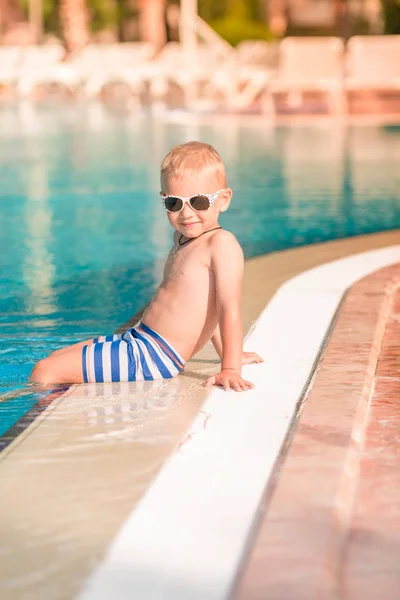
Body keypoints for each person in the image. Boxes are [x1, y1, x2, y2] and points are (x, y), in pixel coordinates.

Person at [30, 141, 263, 392]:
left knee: (45, 370)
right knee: (56, 356)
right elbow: (210, 307)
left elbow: (227, 308)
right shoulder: (183, 239)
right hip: (140, 339)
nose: (186, 214)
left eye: (198, 202)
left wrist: (230, 367)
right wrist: (228, 352)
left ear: (223, 200)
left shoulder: (221, 244)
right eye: (174, 203)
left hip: (155, 357)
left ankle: (53, 420)